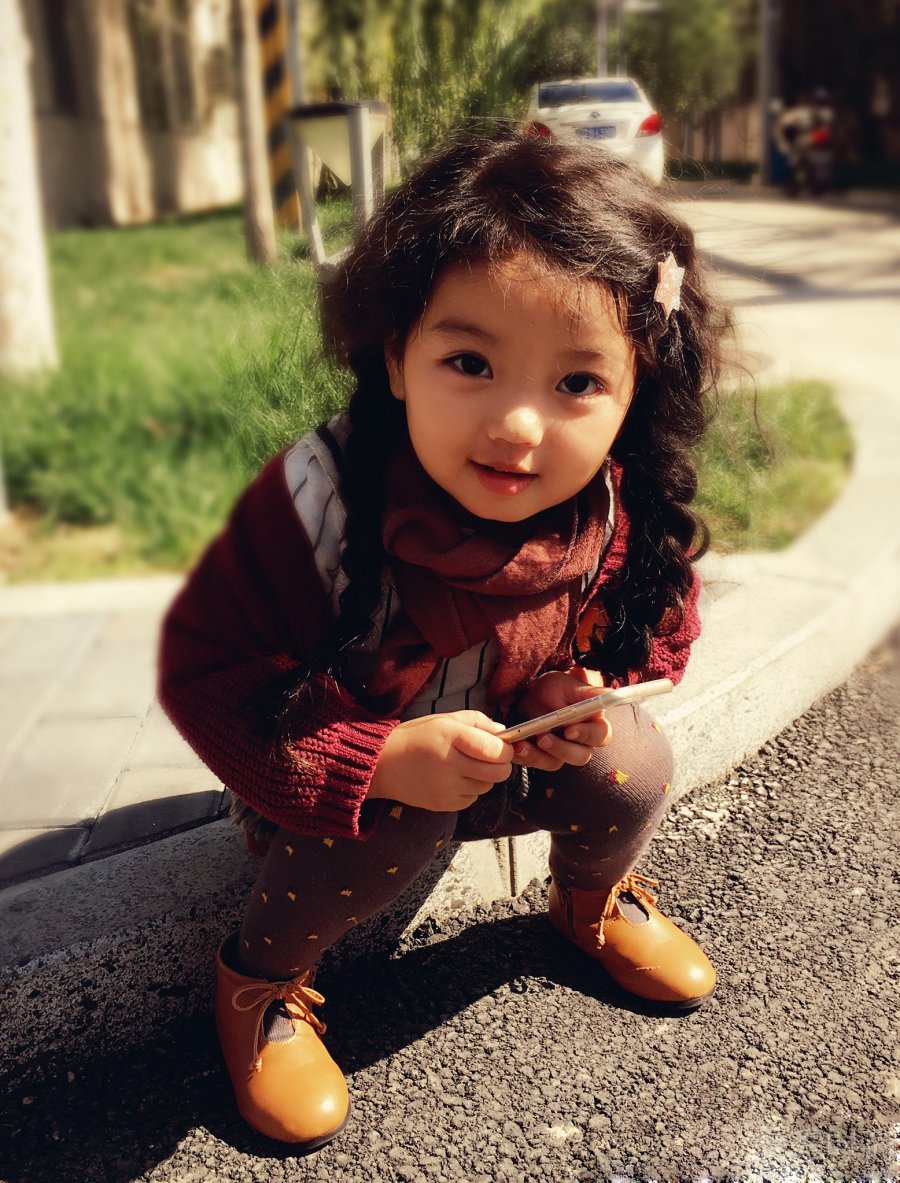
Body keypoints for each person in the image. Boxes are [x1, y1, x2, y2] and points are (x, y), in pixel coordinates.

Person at [159, 130, 731, 1149]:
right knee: (399, 813)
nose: (518, 426)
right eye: (470, 363)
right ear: (396, 355)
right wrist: (375, 757)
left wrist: (577, 691)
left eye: (577, 383)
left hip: (510, 758)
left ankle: (588, 902)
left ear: (635, 388)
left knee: (633, 764)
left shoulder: (612, 503)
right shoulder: (318, 502)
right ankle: (260, 981)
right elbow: (205, 672)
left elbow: (653, 628)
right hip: (334, 790)